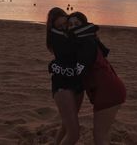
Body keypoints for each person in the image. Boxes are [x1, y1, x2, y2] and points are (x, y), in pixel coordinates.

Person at [50, 11, 127, 145]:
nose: (73, 27)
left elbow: (79, 68)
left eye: (77, 24)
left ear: (83, 25)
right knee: (102, 135)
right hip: (105, 90)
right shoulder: (85, 40)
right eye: (70, 24)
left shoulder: (86, 42)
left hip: (108, 92)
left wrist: (56, 67)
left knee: (99, 138)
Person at [46, 7, 84, 145]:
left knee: (66, 123)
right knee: (74, 134)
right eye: (60, 26)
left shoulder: (74, 32)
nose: (64, 28)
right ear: (54, 27)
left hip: (78, 84)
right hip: (63, 86)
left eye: (65, 24)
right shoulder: (57, 38)